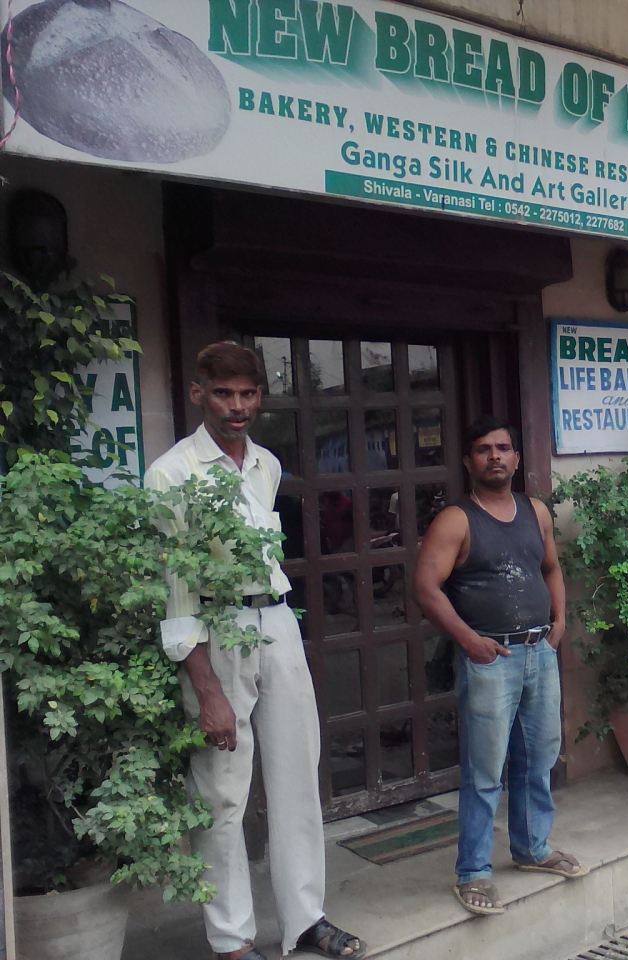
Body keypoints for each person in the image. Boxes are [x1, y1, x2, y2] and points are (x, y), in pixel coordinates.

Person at [144, 342, 365, 960]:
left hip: (276, 621)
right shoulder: (172, 473)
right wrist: (206, 687)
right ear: (198, 394)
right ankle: (232, 941)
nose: (236, 406)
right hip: (215, 629)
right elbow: (176, 591)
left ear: (260, 396)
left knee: (298, 777)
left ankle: (306, 919)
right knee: (221, 793)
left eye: (247, 394)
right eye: (223, 393)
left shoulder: (266, 463)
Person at [414, 415, 588, 916]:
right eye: (484, 449)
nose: (495, 456)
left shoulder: (536, 511)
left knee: (539, 756)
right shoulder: (457, 520)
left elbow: (551, 567)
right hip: (491, 659)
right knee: (486, 769)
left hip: (539, 651)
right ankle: (473, 872)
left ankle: (533, 848)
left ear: (516, 457)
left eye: (503, 448)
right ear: (469, 460)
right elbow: (426, 587)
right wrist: (470, 641)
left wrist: (559, 620)